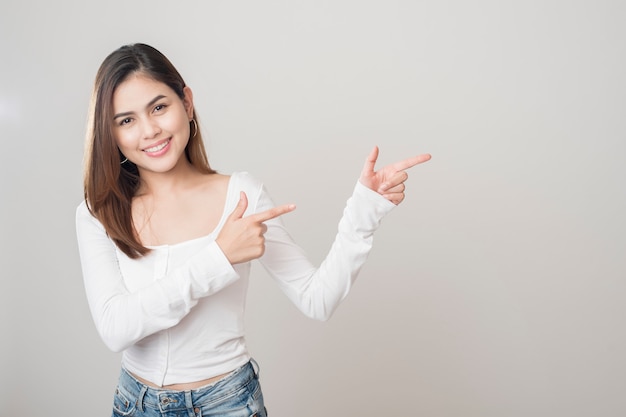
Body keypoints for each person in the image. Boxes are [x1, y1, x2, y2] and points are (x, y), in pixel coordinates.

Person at [76, 43, 431, 417]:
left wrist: (364, 213)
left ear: (187, 102)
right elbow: (116, 328)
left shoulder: (241, 195)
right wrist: (218, 258)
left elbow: (317, 299)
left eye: (159, 107)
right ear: (110, 132)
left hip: (227, 404)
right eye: (126, 120)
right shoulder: (98, 212)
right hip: (136, 405)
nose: (149, 130)